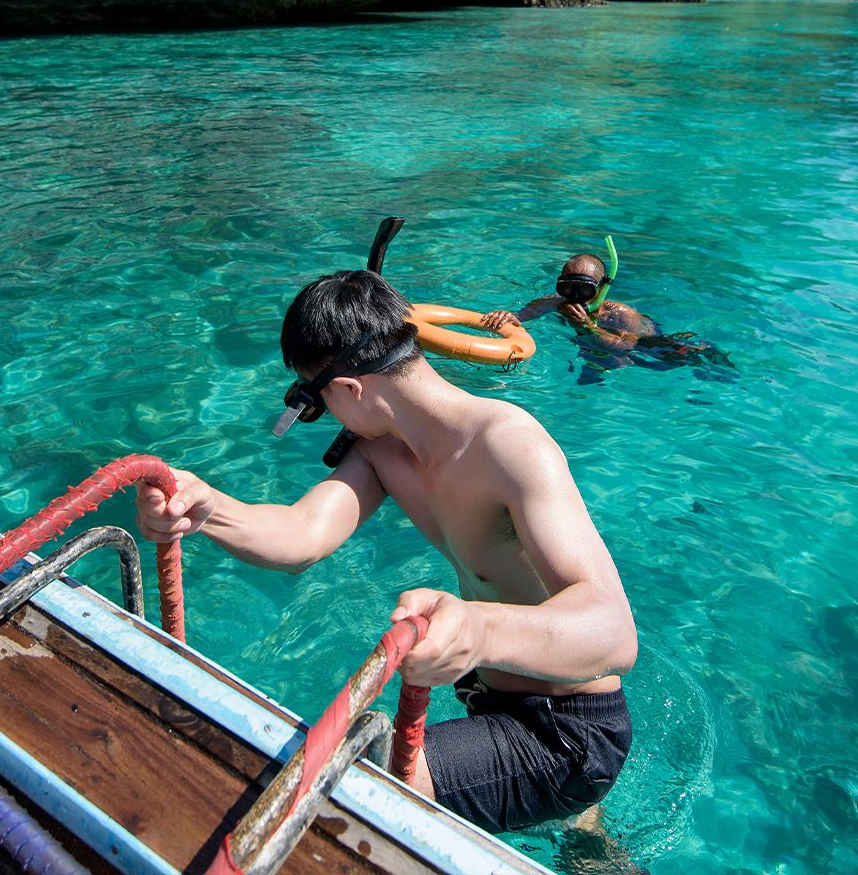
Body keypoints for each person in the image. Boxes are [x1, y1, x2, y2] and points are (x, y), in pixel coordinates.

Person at [136, 269, 638, 835]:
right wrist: (209, 509)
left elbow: (615, 634)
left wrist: (480, 630)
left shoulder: (507, 445)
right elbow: (302, 535)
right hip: (488, 688)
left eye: (316, 404)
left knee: (357, 783)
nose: (324, 420)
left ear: (350, 389)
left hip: (566, 731)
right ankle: (584, 829)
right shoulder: (384, 454)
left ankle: (578, 810)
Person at [481, 250, 736, 385]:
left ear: (602, 288)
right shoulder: (556, 303)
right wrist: (506, 316)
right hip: (597, 344)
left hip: (646, 347)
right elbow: (521, 316)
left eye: (584, 290)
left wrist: (588, 326)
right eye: (567, 288)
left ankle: (704, 354)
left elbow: (628, 346)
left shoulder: (622, 314)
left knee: (654, 357)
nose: (574, 297)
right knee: (593, 366)